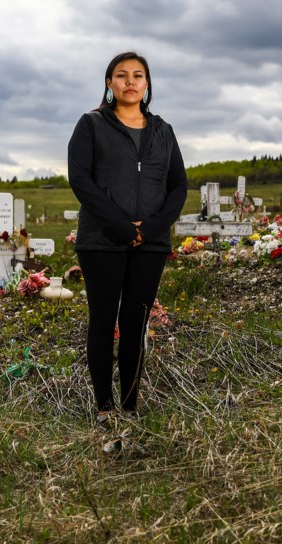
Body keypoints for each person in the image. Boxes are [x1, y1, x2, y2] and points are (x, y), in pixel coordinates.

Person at [67, 52, 188, 424]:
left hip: (150, 243)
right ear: (109, 83)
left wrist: (150, 228)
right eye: (121, 76)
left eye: (138, 76)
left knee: (135, 323)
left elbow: (178, 185)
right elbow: (81, 180)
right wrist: (121, 225)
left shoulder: (163, 131)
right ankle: (105, 407)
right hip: (102, 239)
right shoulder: (91, 125)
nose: (130, 82)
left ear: (147, 84)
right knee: (103, 320)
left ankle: (131, 406)